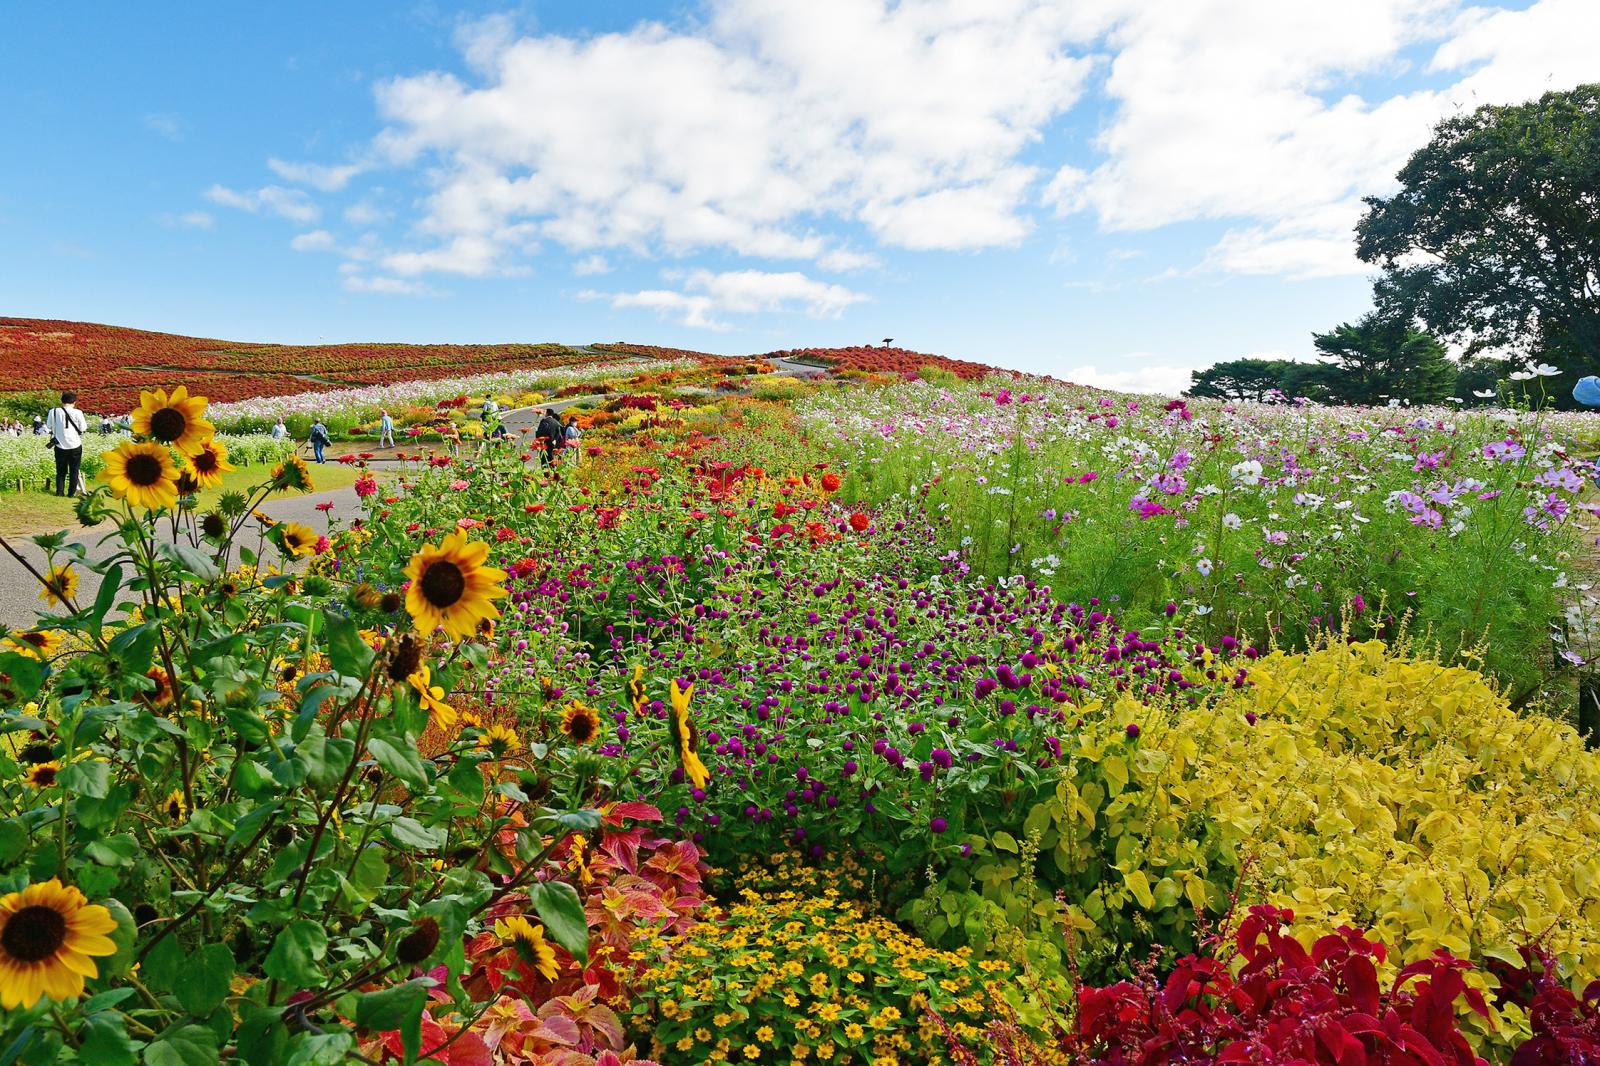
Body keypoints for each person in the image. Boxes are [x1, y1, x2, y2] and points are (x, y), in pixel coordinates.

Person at [45, 391, 88, 496]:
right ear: (74, 402)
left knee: (60, 470)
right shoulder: (78, 412)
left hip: (60, 445)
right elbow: (83, 428)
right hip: (75, 445)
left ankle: (59, 492)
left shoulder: (53, 411)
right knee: (74, 470)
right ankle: (71, 493)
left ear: (62, 401)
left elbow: (49, 426)